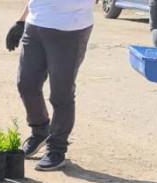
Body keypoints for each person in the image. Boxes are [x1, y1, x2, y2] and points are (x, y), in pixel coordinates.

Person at [5, 0, 93, 171]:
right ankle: (40, 131)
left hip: (71, 28)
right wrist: (21, 21)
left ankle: (56, 149)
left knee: (61, 93)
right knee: (26, 84)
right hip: (36, 23)